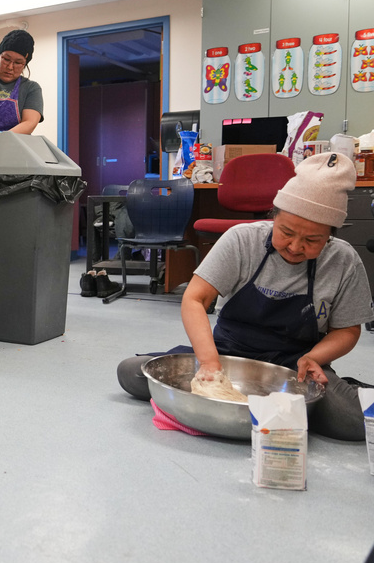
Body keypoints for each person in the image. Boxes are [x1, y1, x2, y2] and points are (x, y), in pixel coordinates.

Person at [116, 152, 374, 440]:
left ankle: (344, 388)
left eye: (312, 240)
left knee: (354, 421)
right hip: (227, 353)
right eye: (286, 232)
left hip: (294, 365)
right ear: (273, 216)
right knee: (132, 373)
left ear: (330, 235)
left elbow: (347, 330)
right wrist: (209, 362)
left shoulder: (343, 260)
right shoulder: (242, 240)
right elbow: (194, 299)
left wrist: (315, 357)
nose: (295, 246)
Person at [0, 29, 44, 142]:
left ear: (25, 65)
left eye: (18, 62)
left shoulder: (31, 88)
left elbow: (29, 123)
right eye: (6, 59)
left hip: (10, 147)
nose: (10, 67)